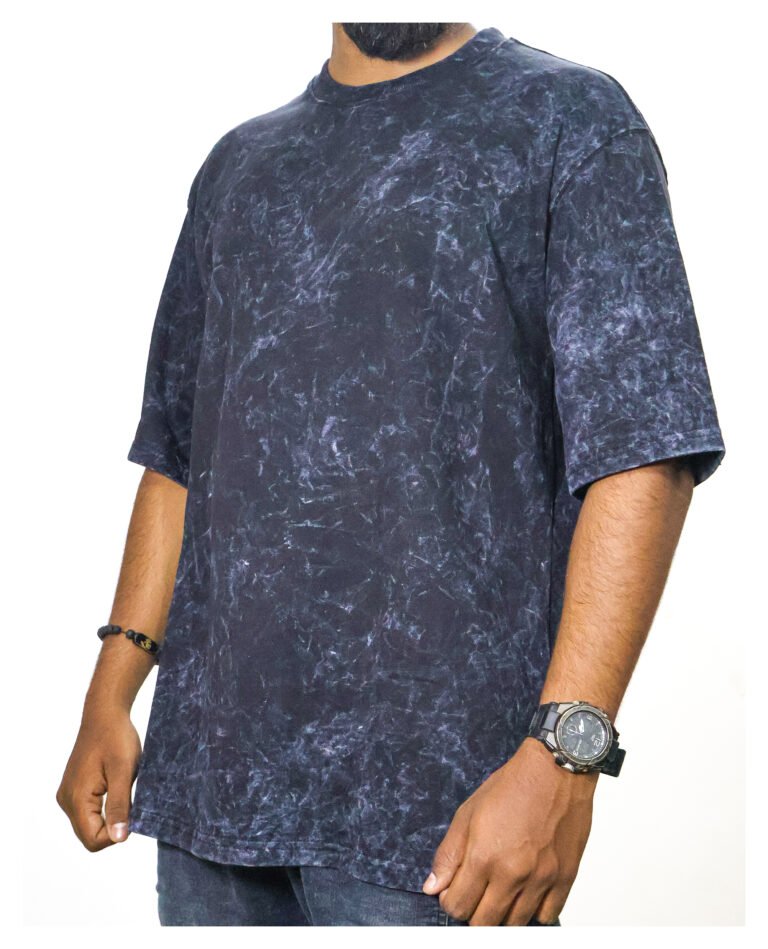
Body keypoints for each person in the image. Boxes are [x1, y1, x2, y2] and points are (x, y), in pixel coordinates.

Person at [56, 22, 726, 926]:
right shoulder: (239, 168)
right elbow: (179, 458)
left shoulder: (570, 120)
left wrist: (565, 756)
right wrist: (109, 693)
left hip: (442, 819)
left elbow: (643, 449)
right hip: (211, 799)